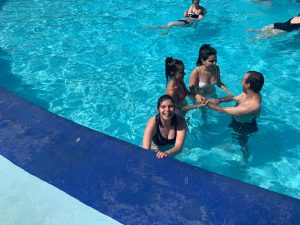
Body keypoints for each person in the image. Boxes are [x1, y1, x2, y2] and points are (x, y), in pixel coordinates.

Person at [206, 71, 264, 162]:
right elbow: (234, 98)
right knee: (232, 135)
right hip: (239, 120)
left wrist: (206, 103)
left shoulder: (252, 106)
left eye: (243, 80)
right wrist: (219, 100)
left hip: (244, 126)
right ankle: (228, 146)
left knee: (242, 143)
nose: (241, 81)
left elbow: (222, 110)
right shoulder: (250, 92)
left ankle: (246, 160)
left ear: (248, 84)